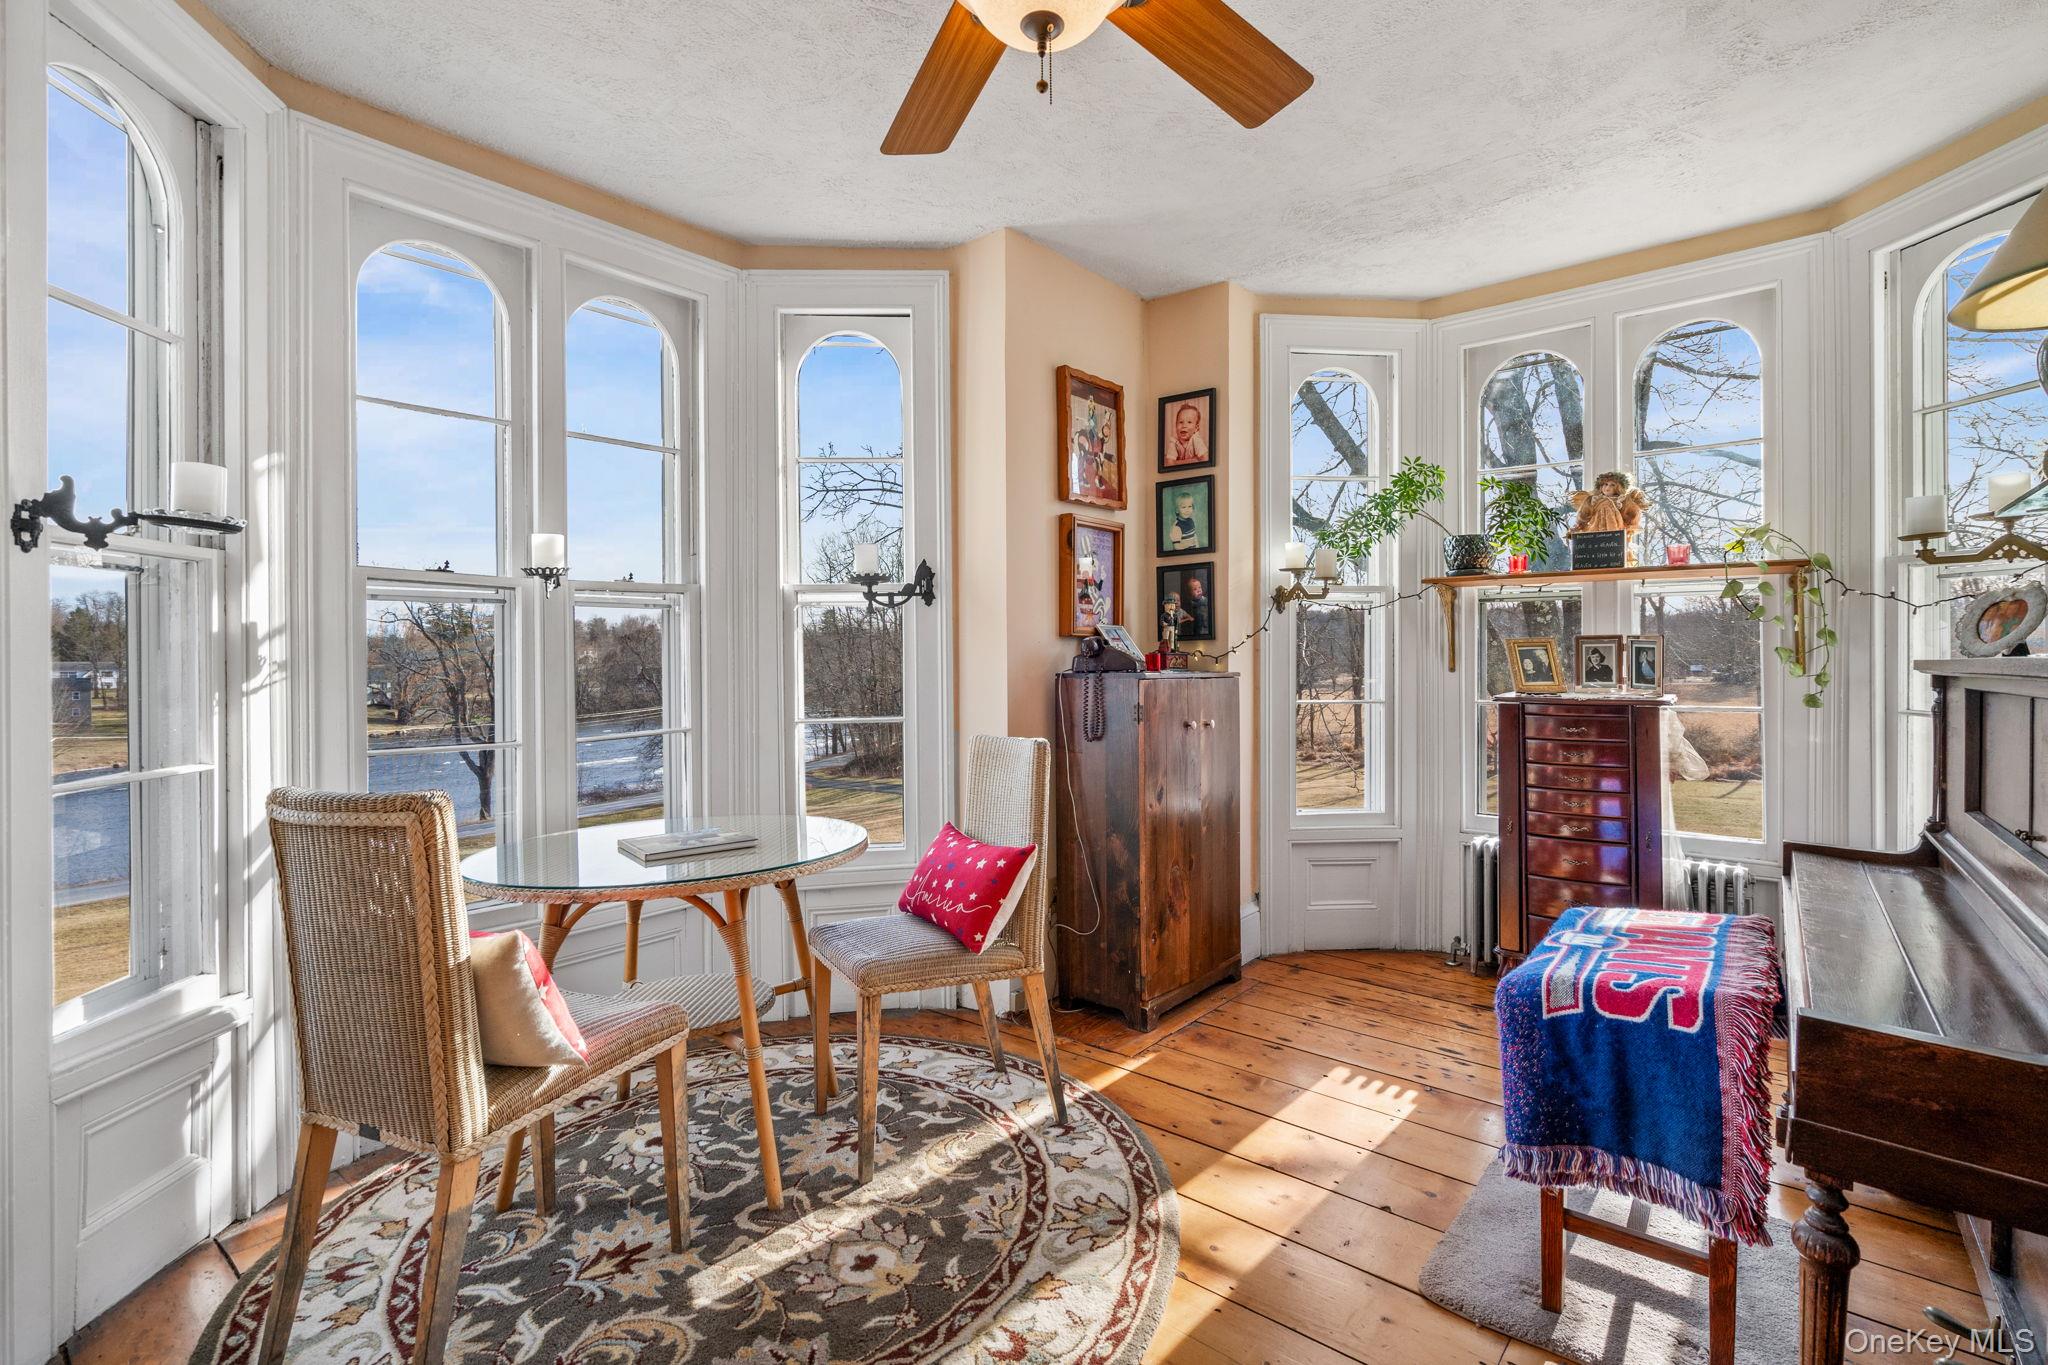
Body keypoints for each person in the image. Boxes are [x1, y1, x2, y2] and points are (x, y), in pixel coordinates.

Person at [1168, 401, 1208, 466]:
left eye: (1189, 422)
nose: (1184, 425)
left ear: (1196, 428)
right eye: (1181, 422)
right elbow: (1169, 463)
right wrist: (1194, 460)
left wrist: (1177, 462)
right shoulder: (1174, 441)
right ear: (1176, 425)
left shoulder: (1196, 439)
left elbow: (1205, 459)